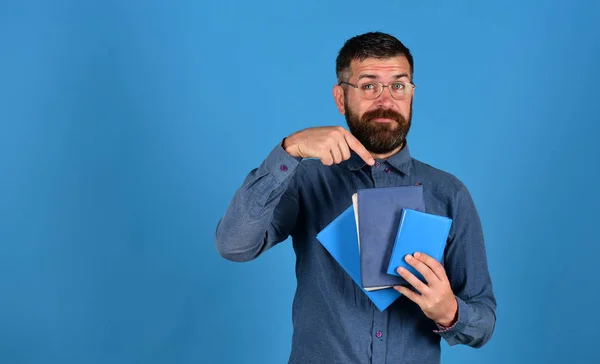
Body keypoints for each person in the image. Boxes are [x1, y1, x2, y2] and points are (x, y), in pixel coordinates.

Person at [214, 31, 496, 364]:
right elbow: (234, 245)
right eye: (368, 85)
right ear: (340, 98)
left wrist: (449, 312)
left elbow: (483, 321)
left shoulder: (449, 193)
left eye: (399, 85)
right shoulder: (305, 180)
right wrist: (289, 150)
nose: (386, 100)